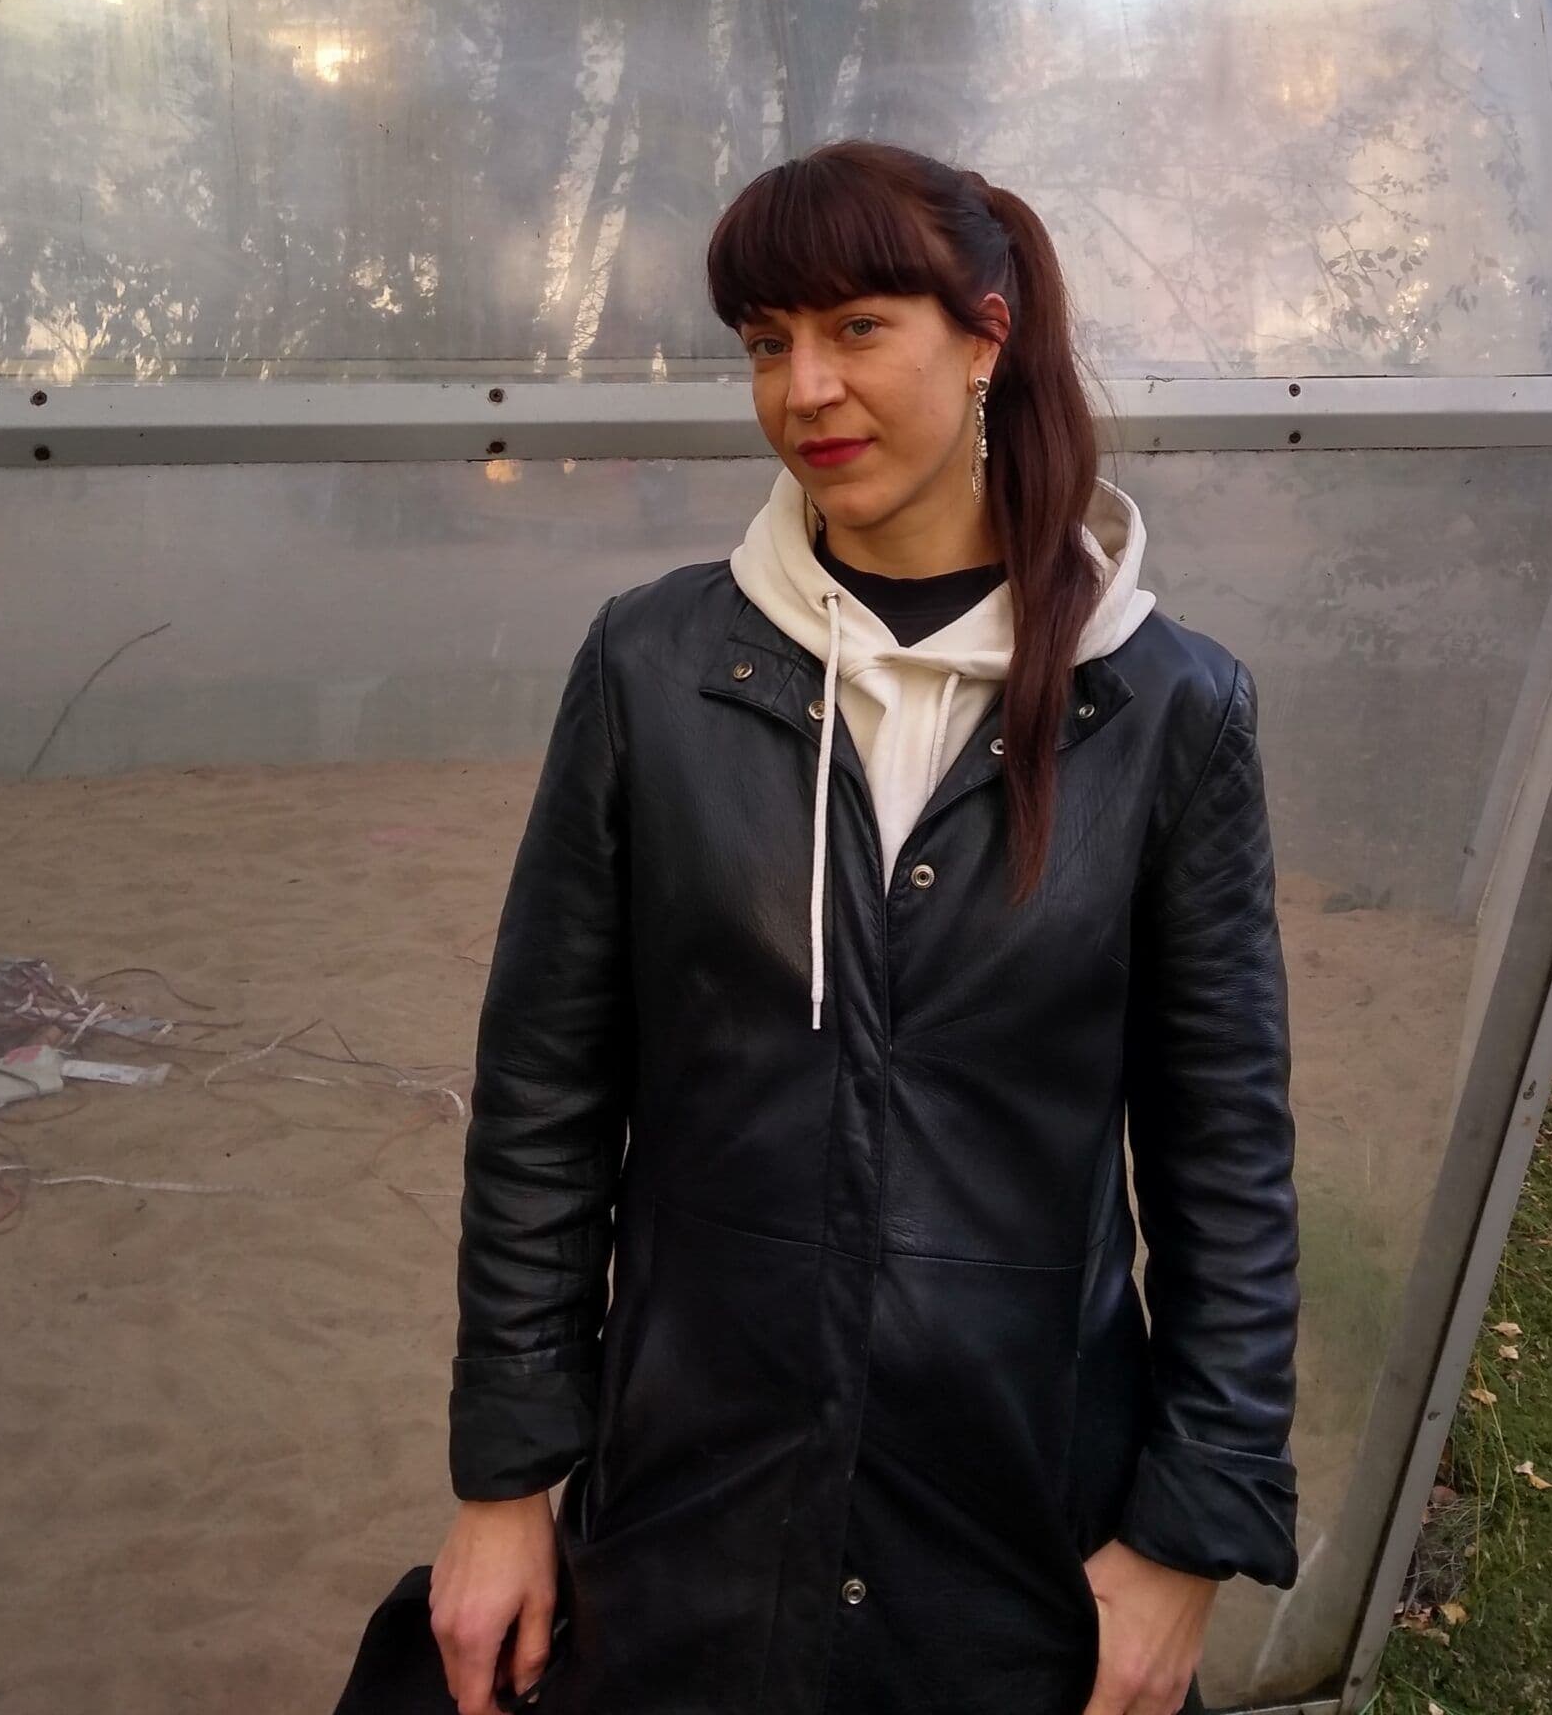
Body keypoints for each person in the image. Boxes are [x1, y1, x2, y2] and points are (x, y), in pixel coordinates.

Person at [427, 140, 1299, 1715]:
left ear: (986, 337)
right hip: (690, 1498)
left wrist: (1189, 1536)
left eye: (857, 329)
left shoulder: (1169, 709)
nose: (805, 389)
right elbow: (545, 1099)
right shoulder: (653, 669)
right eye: (767, 343)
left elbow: (1224, 1155)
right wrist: (504, 1485)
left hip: (1021, 1516)